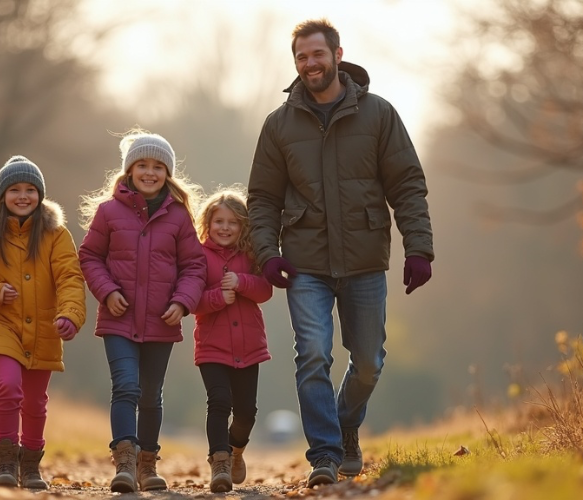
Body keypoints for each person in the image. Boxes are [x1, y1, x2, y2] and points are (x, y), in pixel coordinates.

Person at [247, 19, 434, 488]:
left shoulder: (378, 114)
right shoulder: (279, 124)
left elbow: (407, 184)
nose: (310, 64)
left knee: (369, 360)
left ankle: (345, 422)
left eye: (317, 54)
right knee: (312, 354)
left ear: (337, 54)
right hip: (304, 261)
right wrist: (267, 254)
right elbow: (263, 199)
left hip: (365, 258)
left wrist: (420, 249)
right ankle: (325, 455)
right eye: (301, 58)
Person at [78, 129, 207, 493]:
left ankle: (148, 464)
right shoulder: (108, 212)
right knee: (126, 388)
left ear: (168, 173)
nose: (150, 172)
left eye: (158, 166)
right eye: (142, 165)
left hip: (161, 320)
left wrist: (182, 302)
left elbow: (195, 266)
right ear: (129, 170)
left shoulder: (179, 217)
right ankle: (125, 462)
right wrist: (107, 290)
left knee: (151, 393)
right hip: (118, 319)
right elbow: (89, 256)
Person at [0, 155, 87, 489]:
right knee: (8, 387)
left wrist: (70, 315)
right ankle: (5, 462)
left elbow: (70, 278)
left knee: (34, 402)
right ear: (2, 195)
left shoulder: (56, 235)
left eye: (30, 189)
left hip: (45, 327)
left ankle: (30, 467)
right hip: (2, 325)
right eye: (15, 189)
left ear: (41, 194)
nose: (23, 196)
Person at [192, 187, 273, 493]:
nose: (225, 228)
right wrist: (216, 298)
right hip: (212, 345)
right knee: (219, 401)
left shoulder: (251, 255)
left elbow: (266, 290)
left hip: (249, 346)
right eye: (219, 221)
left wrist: (242, 283)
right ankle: (220, 462)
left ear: (243, 226)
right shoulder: (198, 255)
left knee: (246, 412)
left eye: (233, 222)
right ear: (208, 224)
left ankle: (236, 449)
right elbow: (191, 300)